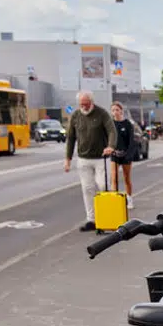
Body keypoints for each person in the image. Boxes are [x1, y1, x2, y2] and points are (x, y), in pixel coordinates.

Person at [62, 92, 116, 232]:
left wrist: (110, 146)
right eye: (81, 104)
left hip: (101, 158)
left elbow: (111, 131)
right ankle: (91, 220)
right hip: (83, 159)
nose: (84, 107)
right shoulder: (76, 116)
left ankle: (107, 217)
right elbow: (71, 138)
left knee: (103, 185)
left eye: (86, 104)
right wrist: (68, 159)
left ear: (91, 102)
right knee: (87, 188)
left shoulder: (101, 113)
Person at [108, 101, 135, 209]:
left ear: (121, 111)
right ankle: (115, 199)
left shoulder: (127, 124)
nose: (115, 112)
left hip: (125, 154)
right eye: (113, 110)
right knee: (114, 178)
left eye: (117, 110)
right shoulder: (111, 124)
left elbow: (131, 141)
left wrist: (128, 154)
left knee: (126, 177)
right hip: (114, 154)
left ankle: (129, 199)